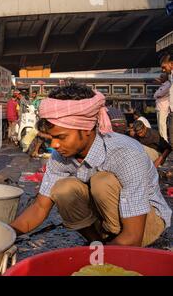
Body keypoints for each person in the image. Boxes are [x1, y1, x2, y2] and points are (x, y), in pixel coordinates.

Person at [11, 84, 171, 247]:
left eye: (61, 137)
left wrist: (97, 265)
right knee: (63, 189)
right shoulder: (61, 156)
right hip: (107, 222)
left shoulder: (125, 153)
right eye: (51, 138)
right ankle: (98, 242)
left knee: (102, 182)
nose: (55, 145)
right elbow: (39, 207)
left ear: (86, 129)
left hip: (144, 225)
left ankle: (111, 248)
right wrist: (5, 234)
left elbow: (133, 235)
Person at [153, 73, 171, 142]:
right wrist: (156, 95)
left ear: (165, 78)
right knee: (161, 126)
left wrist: (157, 95)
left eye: (161, 77)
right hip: (160, 108)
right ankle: (163, 141)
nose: (160, 78)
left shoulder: (167, 85)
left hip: (163, 108)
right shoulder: (163, 85)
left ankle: (164, 142)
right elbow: (155, 95)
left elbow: (159, 94)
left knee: (162, 127)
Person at [161, 55, 173, 144]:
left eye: (164, 67)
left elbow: (157, 95)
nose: (163, 70)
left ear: (171, 64)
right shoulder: (171, 77)